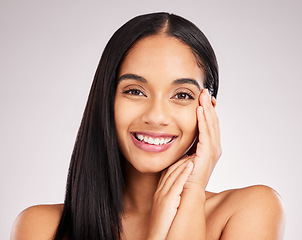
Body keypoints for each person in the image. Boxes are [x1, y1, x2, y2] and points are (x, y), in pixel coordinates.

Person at [11, 12, 285, 240]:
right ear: (105, 99)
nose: (156, 116)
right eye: (135, 91)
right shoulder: (41, 228)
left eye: (182, 95)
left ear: (207, 109)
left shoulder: (250, 210)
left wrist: (190, 197)